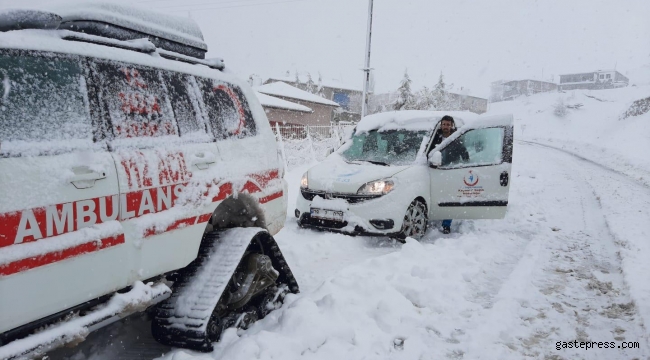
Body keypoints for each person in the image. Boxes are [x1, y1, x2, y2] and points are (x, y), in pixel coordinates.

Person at [430, 115, 469, 234]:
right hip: (435, 170)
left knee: (450, 197)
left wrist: (466, 165)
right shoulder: (435, 138)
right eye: (444, 124)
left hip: (451, 171)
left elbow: (465, 153)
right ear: (440, 125)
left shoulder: (456, 137)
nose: (445, 127)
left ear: (452, 125)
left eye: (448, 124)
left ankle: (446, 224)